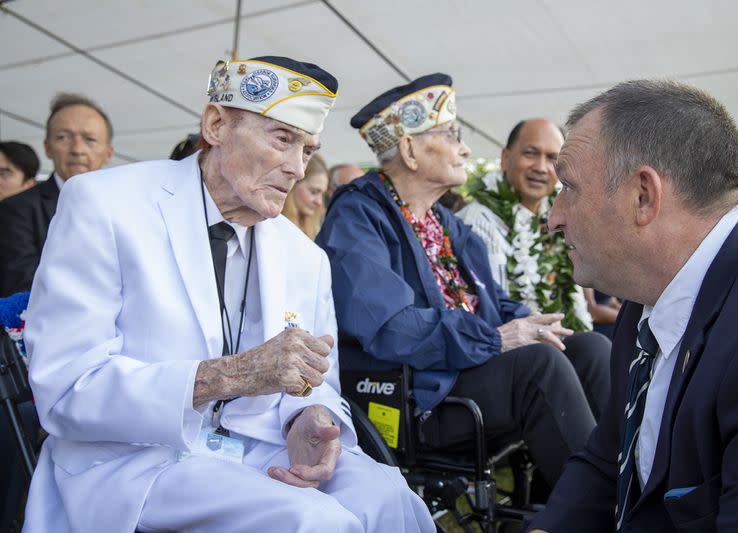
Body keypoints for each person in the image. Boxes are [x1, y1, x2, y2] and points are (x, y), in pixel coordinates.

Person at [23, 55, 433, 533]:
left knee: (391, 499)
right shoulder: (105, 204)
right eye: (283, 139)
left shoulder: (305, 256)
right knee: (312, 521)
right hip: (135, 460)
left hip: (259, 450)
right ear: (216, 124)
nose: (297, 168)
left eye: (307, 149)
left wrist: (309, 418)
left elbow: (318, 380)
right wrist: (226, 376)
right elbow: (66, 387)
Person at [525, 80, 738, 533]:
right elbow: (609, 457)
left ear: (643, 196)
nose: (554, 216)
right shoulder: (648, 292)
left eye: (569, 188)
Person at [317, 74, 611, 490]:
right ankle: (596, 509)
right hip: (422, 396)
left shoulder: (448, 224)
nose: (466, 148)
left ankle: (622, 486)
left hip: (468, 371)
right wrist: (495, 338)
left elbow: (494, 304)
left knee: (588, 347)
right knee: (538, 367)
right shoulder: (358, 217)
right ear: (410, 150)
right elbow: (391, 328)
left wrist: (529, 322)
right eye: (451, 135)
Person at [459, 118, 616, 332]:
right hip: (507, 343)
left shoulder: (562, 220)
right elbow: (486, 313)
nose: (541, 167)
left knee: (594, 345)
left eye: (552, 158)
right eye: (530, 154)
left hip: (557, 338)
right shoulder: (474, 222)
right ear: (505, 158)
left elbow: (577, 304)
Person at [0, 93, 114, 296]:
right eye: (63, 137)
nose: (77, 149)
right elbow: (22, 284)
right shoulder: (15, 210)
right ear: (47, 148)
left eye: (90, 140)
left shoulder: (128, 210)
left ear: (108, 153)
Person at [283, 153, 328, 238]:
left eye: (322, 194)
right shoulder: (271, 225)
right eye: (314, 192)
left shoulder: (316, 228)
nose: (319, 202)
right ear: (293, 185)